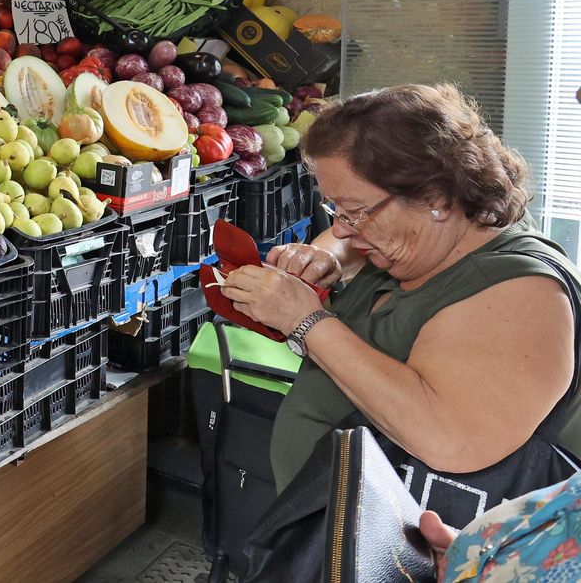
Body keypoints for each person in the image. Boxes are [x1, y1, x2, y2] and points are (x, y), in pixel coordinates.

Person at [217, 83, 581, 503]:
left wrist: (306, 322)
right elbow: (342, 242)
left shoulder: (523, 296)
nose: (342, 227)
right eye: (336, 210)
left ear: (436, 197)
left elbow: (449, 440)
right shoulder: (425, 237)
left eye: (355, 211)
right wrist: (321, 256)